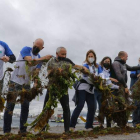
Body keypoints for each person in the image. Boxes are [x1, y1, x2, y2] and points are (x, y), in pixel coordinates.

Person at [3, 38, 52, 133]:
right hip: (15, 81)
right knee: (10, 106)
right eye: (35, 45)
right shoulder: (26, 49)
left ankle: (23, 130)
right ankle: (6, 131)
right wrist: (44, 58)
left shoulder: (39, 57)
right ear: (33, 44)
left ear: (42, 48)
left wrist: (36, 84)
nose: (36, 48)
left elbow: (36, 73)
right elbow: (30, 62)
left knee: (25, 107)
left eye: (38, 47)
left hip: (26, 85)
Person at [43, 46, 76, 133]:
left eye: (65, 54)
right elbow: (49, 72)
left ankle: (67, 130)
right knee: (46, 107)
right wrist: (57, 71)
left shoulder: (68, 61)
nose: (64, 56)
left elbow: (74, 68)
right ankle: (42, 129)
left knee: (66, 108)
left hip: (63, 89)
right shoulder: (51, 61)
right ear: (57, 54)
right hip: (52, 87)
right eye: (62, 54)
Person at [70, 49, 102, 130]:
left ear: (95, 57)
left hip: (91, 89)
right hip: (83, 87)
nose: (91, 57)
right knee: (80, 105)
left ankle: (89, 126)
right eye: (89, 56)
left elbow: (101, 76)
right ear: (87, 57)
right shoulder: (85, 65)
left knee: (92, 107)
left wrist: (100, 80)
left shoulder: (98, 66)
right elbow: (86, 73)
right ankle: (71, 125)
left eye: (92, 56)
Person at [95, 56, 119, 127]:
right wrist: (110, 78)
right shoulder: (99, 69)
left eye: (108, 62)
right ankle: (100, 124)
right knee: (100, 107)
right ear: (103, 61)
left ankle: (108, 125)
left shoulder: (109, 72)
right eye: (105, 61)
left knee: (108, 108)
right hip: (99, 91)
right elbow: (101, 79)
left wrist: (118, 87)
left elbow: (109, 84)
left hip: (107, 91)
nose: (107, 63)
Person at [130, 57, 140, 127]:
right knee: (136, 105)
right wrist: (138, 75)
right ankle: (135, 122)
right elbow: (132, 75)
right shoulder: (135, 68)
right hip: (135, 90)